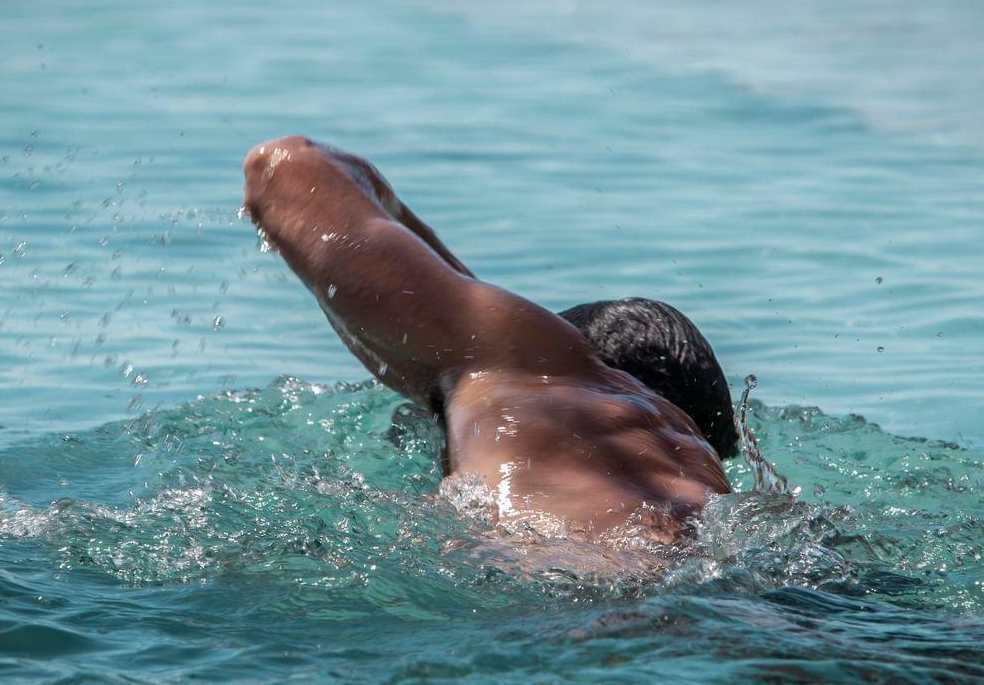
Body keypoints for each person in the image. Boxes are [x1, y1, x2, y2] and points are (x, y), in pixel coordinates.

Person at [242, 136, 737, 547]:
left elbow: (284, 168)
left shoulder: (541, 380)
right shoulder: (695, 471)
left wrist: (395, 216)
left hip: (596, 613)